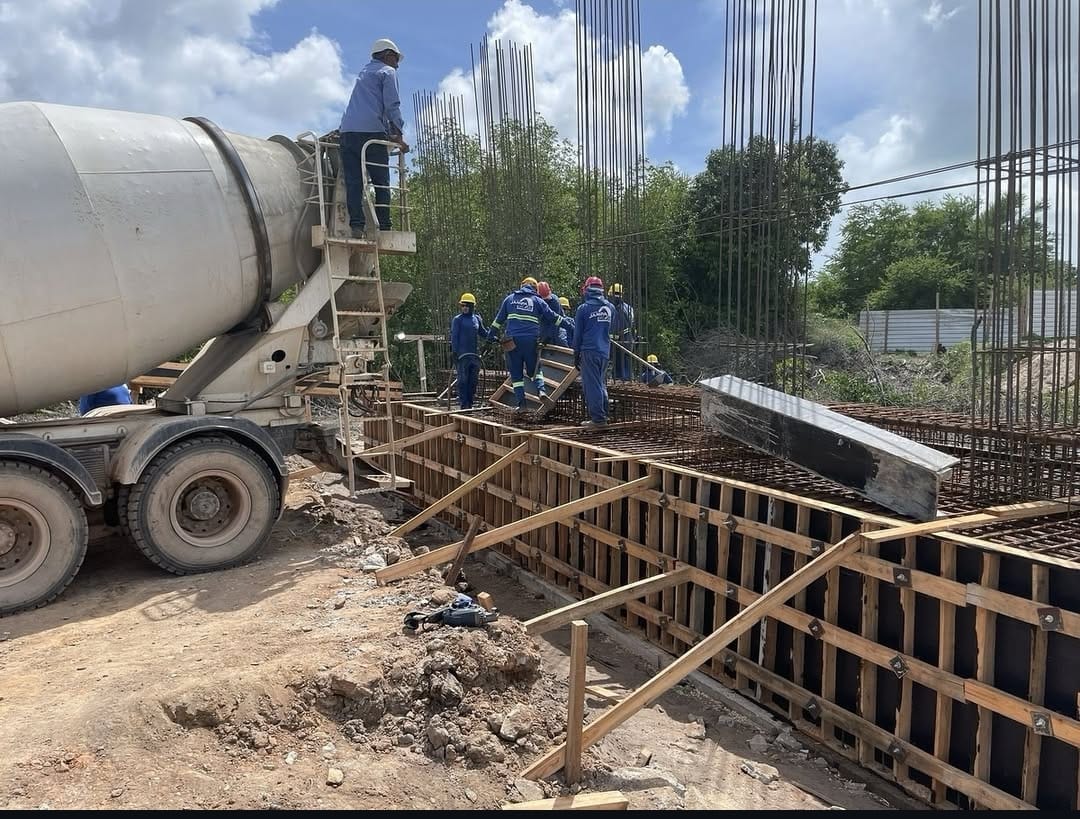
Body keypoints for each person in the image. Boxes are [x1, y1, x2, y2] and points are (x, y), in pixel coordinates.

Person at [339, 38, 408, 237]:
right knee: (381, 182)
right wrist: (399, 136)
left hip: (347, 134)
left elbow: (358, 106)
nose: (397, 64)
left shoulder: (364, 73)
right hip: (370, 135)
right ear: (387, 55)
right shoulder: (388, 72)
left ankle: (357, 226)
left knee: (354, 182)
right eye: (396, 59)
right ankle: (384, 227)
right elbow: (392, 105)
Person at [491, 277, 570, 411]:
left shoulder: (509, 299)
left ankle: (522, 405)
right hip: (530, 340)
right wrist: (570, 326)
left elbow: (497, 322)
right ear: (535, 289)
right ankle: (541, 391)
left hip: (512, 342)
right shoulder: (538, 301)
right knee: (535, 369)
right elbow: (554, 318)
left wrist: (489, 337)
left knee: (516, 375)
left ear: (521, 286)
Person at [572, 276, 614, 428]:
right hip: (604, 351)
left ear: (587, 290)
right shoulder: (610, 308)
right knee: (601, 384)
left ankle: (598, 419)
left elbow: (577, 335)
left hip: (589, 351)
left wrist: (576, 354)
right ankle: (603, 415)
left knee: (592, 386)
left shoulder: (583, 309)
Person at [450, 292, 495, 410]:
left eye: (467, 305)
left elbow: (483, 333)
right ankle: (464, 404)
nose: (464, 308)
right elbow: (454, 337)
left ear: (472, 306)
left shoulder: (477, 319)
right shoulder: (457, 320)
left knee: (473, 381)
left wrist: (494, 338)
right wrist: (454, 352)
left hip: (474, 357)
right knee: (463, 380)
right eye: (462, 305)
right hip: (462, 356)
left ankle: (470, 402)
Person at [608, 283, 635, 380]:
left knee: (620, 370)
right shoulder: (628, 308)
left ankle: (622, 382)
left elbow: (616, 328)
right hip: (628, 340)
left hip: (619, 342)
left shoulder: (616, 308)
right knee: (625, 366)